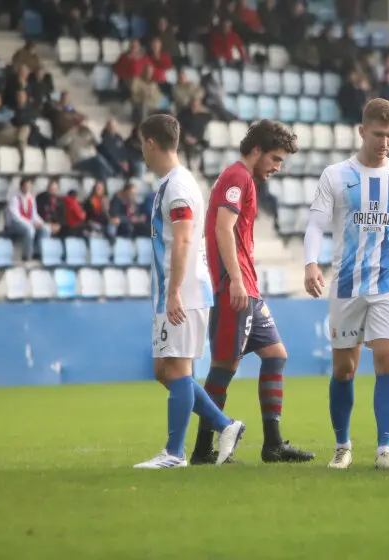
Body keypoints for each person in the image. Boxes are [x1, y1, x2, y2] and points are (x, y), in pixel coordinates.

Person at [303, 98, 389, 470]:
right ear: (362, 131)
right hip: (346, 284)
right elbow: (315, 224)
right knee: (345, 369)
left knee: (388, 357)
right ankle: (342, 446)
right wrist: (310, 263)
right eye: (378, 134)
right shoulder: (336, 175)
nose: (385, 142)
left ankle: (384, 450)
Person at [191, 120, 315, 465]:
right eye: (275, 159)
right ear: (256, 150)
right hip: (235, 286)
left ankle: (273, 444)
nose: (277, 167)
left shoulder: (243, 179)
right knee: (224, 366)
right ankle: (203, 448)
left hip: (247, 285)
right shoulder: (237, 177)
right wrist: (234, 279)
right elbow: (222, 228)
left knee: (276, 354)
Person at [132, 114, 245, 469]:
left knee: (177, 370)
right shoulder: (170, 183)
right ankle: (226, 425)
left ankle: (174, 453)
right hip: (177, 290)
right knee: (164, 370)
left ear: (151, 142)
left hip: (184, 291)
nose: (141, 151)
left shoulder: (178, 186)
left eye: (142, 144)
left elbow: (182, 239)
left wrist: (174, 291)